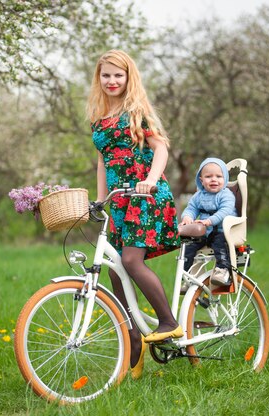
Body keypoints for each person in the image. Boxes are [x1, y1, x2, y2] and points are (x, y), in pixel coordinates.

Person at [88, 49, 182, 379]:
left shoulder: (135, 112)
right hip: (120, 200)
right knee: (115, 269)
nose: (112, 80)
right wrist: (99, 201)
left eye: (118, 75)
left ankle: (168, 322)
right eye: (106, 75)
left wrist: (151, 180)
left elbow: (161, 148)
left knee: (130, 261)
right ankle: (133, 337)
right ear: (98, 79)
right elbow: (103, 161)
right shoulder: (98, 120)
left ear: (129, 78)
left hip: (146, 196)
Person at [179, 157, 237, 286]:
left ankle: (222, 270)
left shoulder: (226, 195)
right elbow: (191, 208)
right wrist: (187, 217)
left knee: (220, 246)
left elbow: (225, 210)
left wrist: (210, 220)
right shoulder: (199, 196)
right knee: (189, 247)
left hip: (223, 231)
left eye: (218, 176)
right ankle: (187, 274)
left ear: (225, 179)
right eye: (208, 176)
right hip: (205, 232)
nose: (214, 179)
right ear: (201, 180)